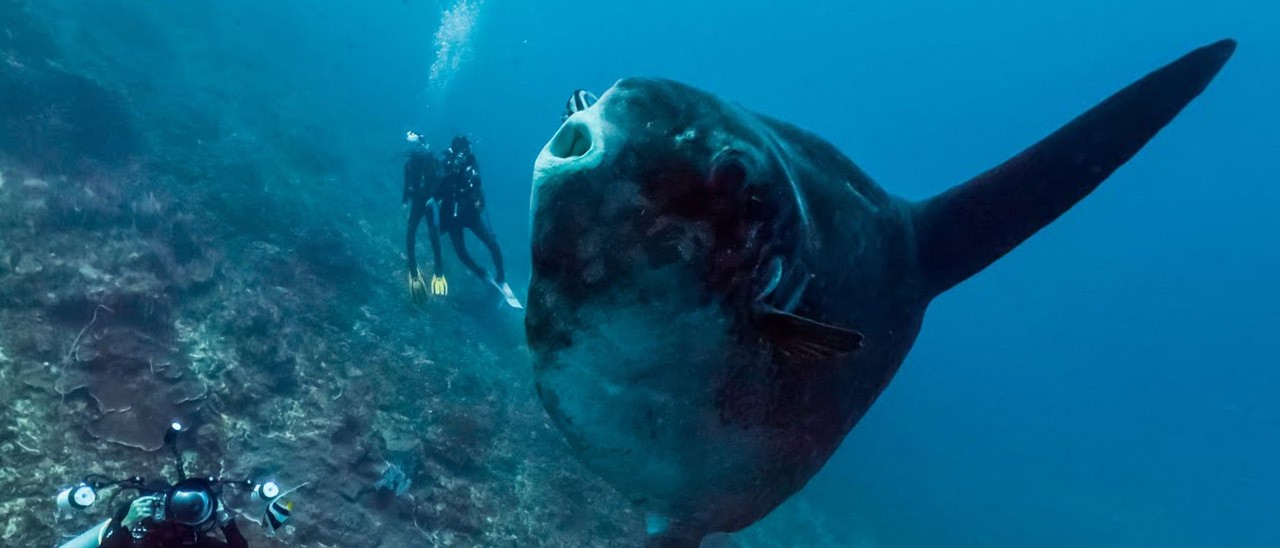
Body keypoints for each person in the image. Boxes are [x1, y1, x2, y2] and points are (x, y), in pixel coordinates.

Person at [437, 134, 521, 309]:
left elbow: (478, 186)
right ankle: (483, 274)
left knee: (493, 244)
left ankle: (501, 278)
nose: (466, 153)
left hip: (470, 214)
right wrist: (453, 169)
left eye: (467, 150)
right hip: (453, 218)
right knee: (462, 254)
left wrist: (480, 203)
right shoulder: (447, 163)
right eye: (463, 150)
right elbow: (439, 187)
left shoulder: (472, 163)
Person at [97, 492, 248, 548]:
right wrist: (128, 522)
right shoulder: (135, 536)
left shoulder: (186, 535)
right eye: (154, 505)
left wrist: (225, 520)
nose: (160, 512)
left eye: (165, 505)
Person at [403, 131, 448, 303]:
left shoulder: (432, 162)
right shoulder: (409, 164)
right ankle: (413, 272)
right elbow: (406, 183)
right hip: (418, 203)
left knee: (434, 235)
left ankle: (439, 271)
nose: (412, 148)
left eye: (415, 145)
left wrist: (434, 197)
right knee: (410, 234)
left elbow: (439, 182)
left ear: (422, 145)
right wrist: (404, 200)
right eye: (411, 145)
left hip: (429, 204)